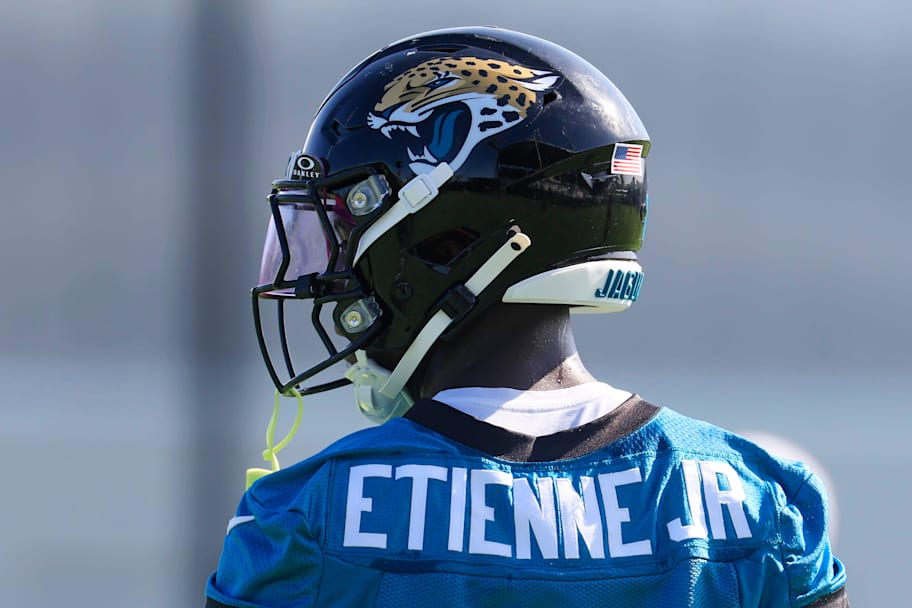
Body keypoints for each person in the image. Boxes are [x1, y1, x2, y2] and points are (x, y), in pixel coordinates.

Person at [206, 26, 847, 608]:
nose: (331, 270)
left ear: (440, 238)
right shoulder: (759, 503)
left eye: (348, 225)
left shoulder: (306, 521)